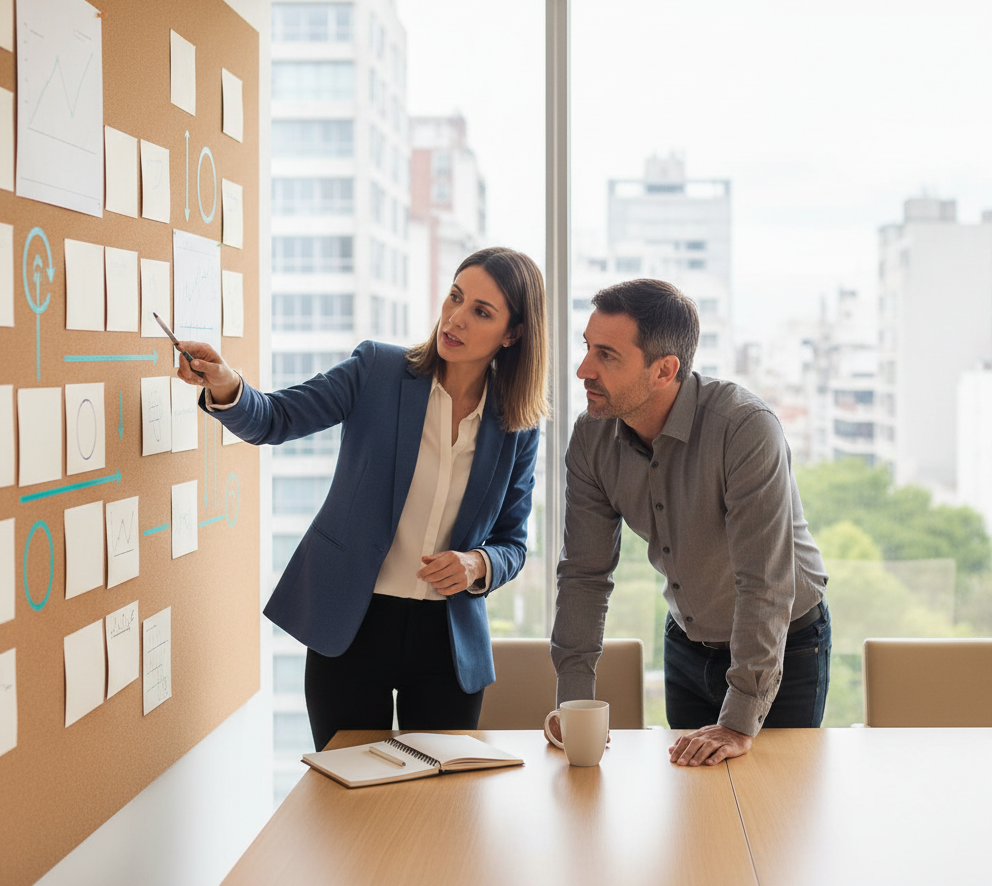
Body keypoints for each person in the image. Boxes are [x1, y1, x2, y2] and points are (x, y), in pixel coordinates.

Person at [176, 247, 548, 749]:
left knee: (436, 807)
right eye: (455, 297)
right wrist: (227, 384)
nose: (455, 318)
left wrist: (478, 564)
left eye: (481, 311)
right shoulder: (378, 370)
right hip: (351, 624)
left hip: (447, 642)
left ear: (513, 334)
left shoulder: (517, 425)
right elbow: (276, 418)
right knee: (343, 799)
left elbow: (513, 543)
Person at [551, 278, 829, 767]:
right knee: (692, 811)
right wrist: (574, 702)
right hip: (686, 643)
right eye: (587, 348)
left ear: (664, 370)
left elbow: (762, 584)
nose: (583, 370)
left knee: (771, 817)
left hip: (784, 645)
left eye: (607, 356)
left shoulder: (743, 428)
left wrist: (739, 721)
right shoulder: (591, 437)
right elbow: (584, 575)